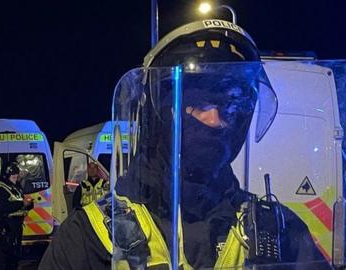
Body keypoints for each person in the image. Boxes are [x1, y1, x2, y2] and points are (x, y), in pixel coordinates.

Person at [39, 20, 329, 269]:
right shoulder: (91, 237)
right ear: (159, 113)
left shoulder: (276, 233)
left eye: (229, 105)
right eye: (198, 103)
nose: (215, 120)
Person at [0, 162, 34, 270]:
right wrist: (22, 204)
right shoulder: (1, 189)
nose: (15, 179)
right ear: (7, 176)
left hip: (16, 225)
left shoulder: (15, 187)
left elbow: (21, 201)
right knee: (9, 254)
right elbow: (4, 206)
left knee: (15, 254)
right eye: (13, 177)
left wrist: (29, 204)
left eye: (17, 176)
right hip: (7, 225)